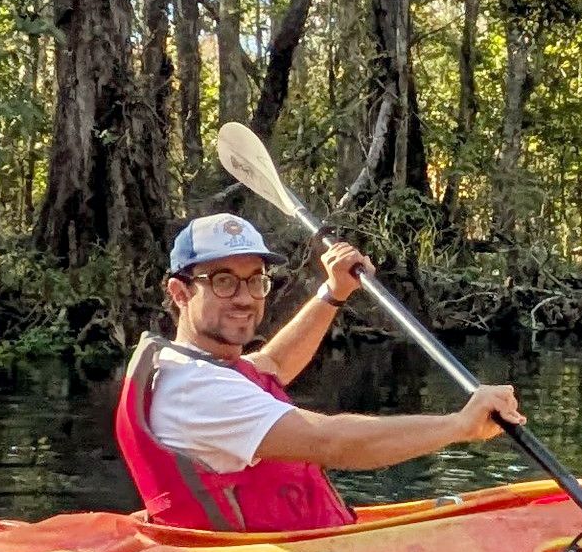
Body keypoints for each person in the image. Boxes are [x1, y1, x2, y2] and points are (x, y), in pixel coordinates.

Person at [114, 213, 524, 531]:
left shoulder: (197, 366)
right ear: (180, 292)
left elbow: (272, 364)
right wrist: (459, 425)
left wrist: (333, 291)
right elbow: (331, 442)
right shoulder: (197, 391)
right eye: (223, 281)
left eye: (255, 281)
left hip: (301, 546)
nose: (244, 297)